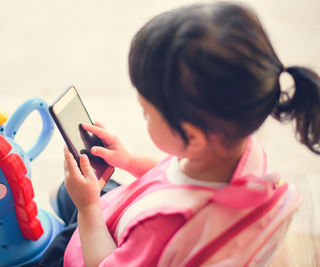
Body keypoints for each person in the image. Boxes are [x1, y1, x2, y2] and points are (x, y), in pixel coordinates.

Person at [34, 2, 320, 266]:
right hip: (131, 213)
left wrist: (88, 209)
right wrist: (130, 161)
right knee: (67, 193)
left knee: (57, 239)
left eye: (147, 113)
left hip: (104, 244)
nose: (143, 116)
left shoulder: (161, 226)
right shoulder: (242, 150)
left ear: (193, 138)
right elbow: (174, 176)